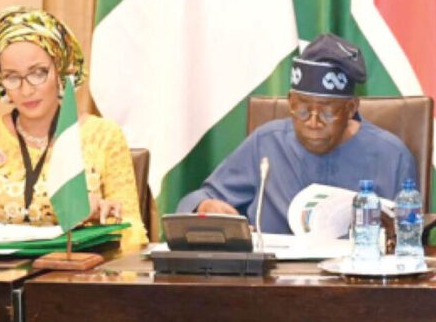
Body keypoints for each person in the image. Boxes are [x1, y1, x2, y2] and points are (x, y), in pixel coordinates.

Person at [177, 33, 417, 234]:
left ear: (351, 108)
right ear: (290, 101)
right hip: (273, 285)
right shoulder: (266, 144)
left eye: (327, 111)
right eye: (301, 109)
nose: (313, 122)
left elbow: (410, 236)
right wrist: (205, 205)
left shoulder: (391, 155)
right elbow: (201, 198)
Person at [0, 6, 147, 249]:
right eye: (12, 77)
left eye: (38, 73)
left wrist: (103, 220)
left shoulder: (103, 136)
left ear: (60, 71)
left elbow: (134, 235)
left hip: (76, 279)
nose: (26, 89)